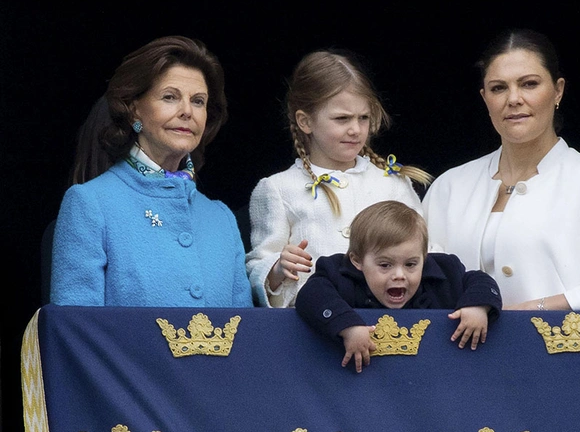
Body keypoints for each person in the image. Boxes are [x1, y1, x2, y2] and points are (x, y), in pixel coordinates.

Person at [422, 29, 580, 311]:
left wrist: (535, 309)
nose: (514, 99)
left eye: (529, 84)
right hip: (459, 354)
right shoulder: (449, 187)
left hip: (561, 352)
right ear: (485, 98)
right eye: (499, 88)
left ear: (558, 90)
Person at [50, 36, 253, 308]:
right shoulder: (90, 204)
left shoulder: (221, 219)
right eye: (170, 97)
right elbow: (77, 335)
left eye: (198, 101)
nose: (186, 112)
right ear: (134, 110)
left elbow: (243, 335)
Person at [246, 49, 432, 308]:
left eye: (363, 118)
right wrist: (277, 268)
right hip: (314, 333)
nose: (355, 130)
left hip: (392, 331)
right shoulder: (278, 188)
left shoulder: (393, 183)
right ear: (305, 121)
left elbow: (427, 253)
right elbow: (259, 266)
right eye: (342, 118)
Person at [295, 200, 502, 373]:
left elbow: (480, 280)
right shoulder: (337, 272)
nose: (399, 275)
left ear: (424, 258)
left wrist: (477, 306)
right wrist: (347, 327)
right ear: (357, 261)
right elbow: (311, 294)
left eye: (411, 264)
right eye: (385, 265)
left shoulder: (445, 271)